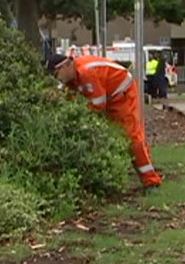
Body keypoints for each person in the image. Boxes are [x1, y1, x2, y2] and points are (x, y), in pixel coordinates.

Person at [45, 54, 163, 190]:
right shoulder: (73, 74)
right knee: (124, 136)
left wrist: (81, 117)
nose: (57, 78)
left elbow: (97, 105)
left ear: (65, 65)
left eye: (56, 73)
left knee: (131, 137)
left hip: (122, 94)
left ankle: (151, 181)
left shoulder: (86, 72)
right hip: (112, 94)